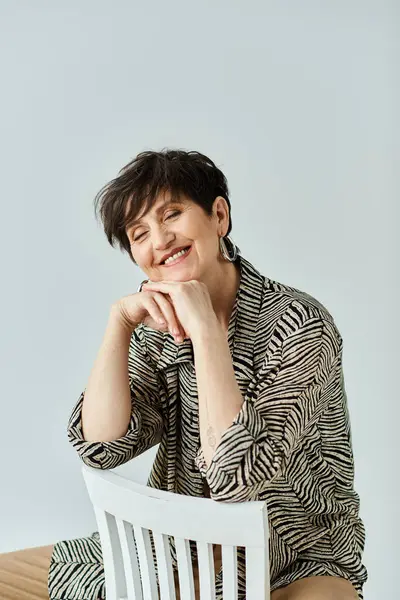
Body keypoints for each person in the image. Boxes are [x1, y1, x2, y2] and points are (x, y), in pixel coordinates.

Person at [48, 149, 368, 600]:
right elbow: (101, 447)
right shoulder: (156, 330)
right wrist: (118, 327)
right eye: (140, 233)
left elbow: (239, 478)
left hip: (294, 558)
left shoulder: (301, 325)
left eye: (172, 214)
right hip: (178, 552)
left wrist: (205, 330)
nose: (159, 240)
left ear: (219, 215)